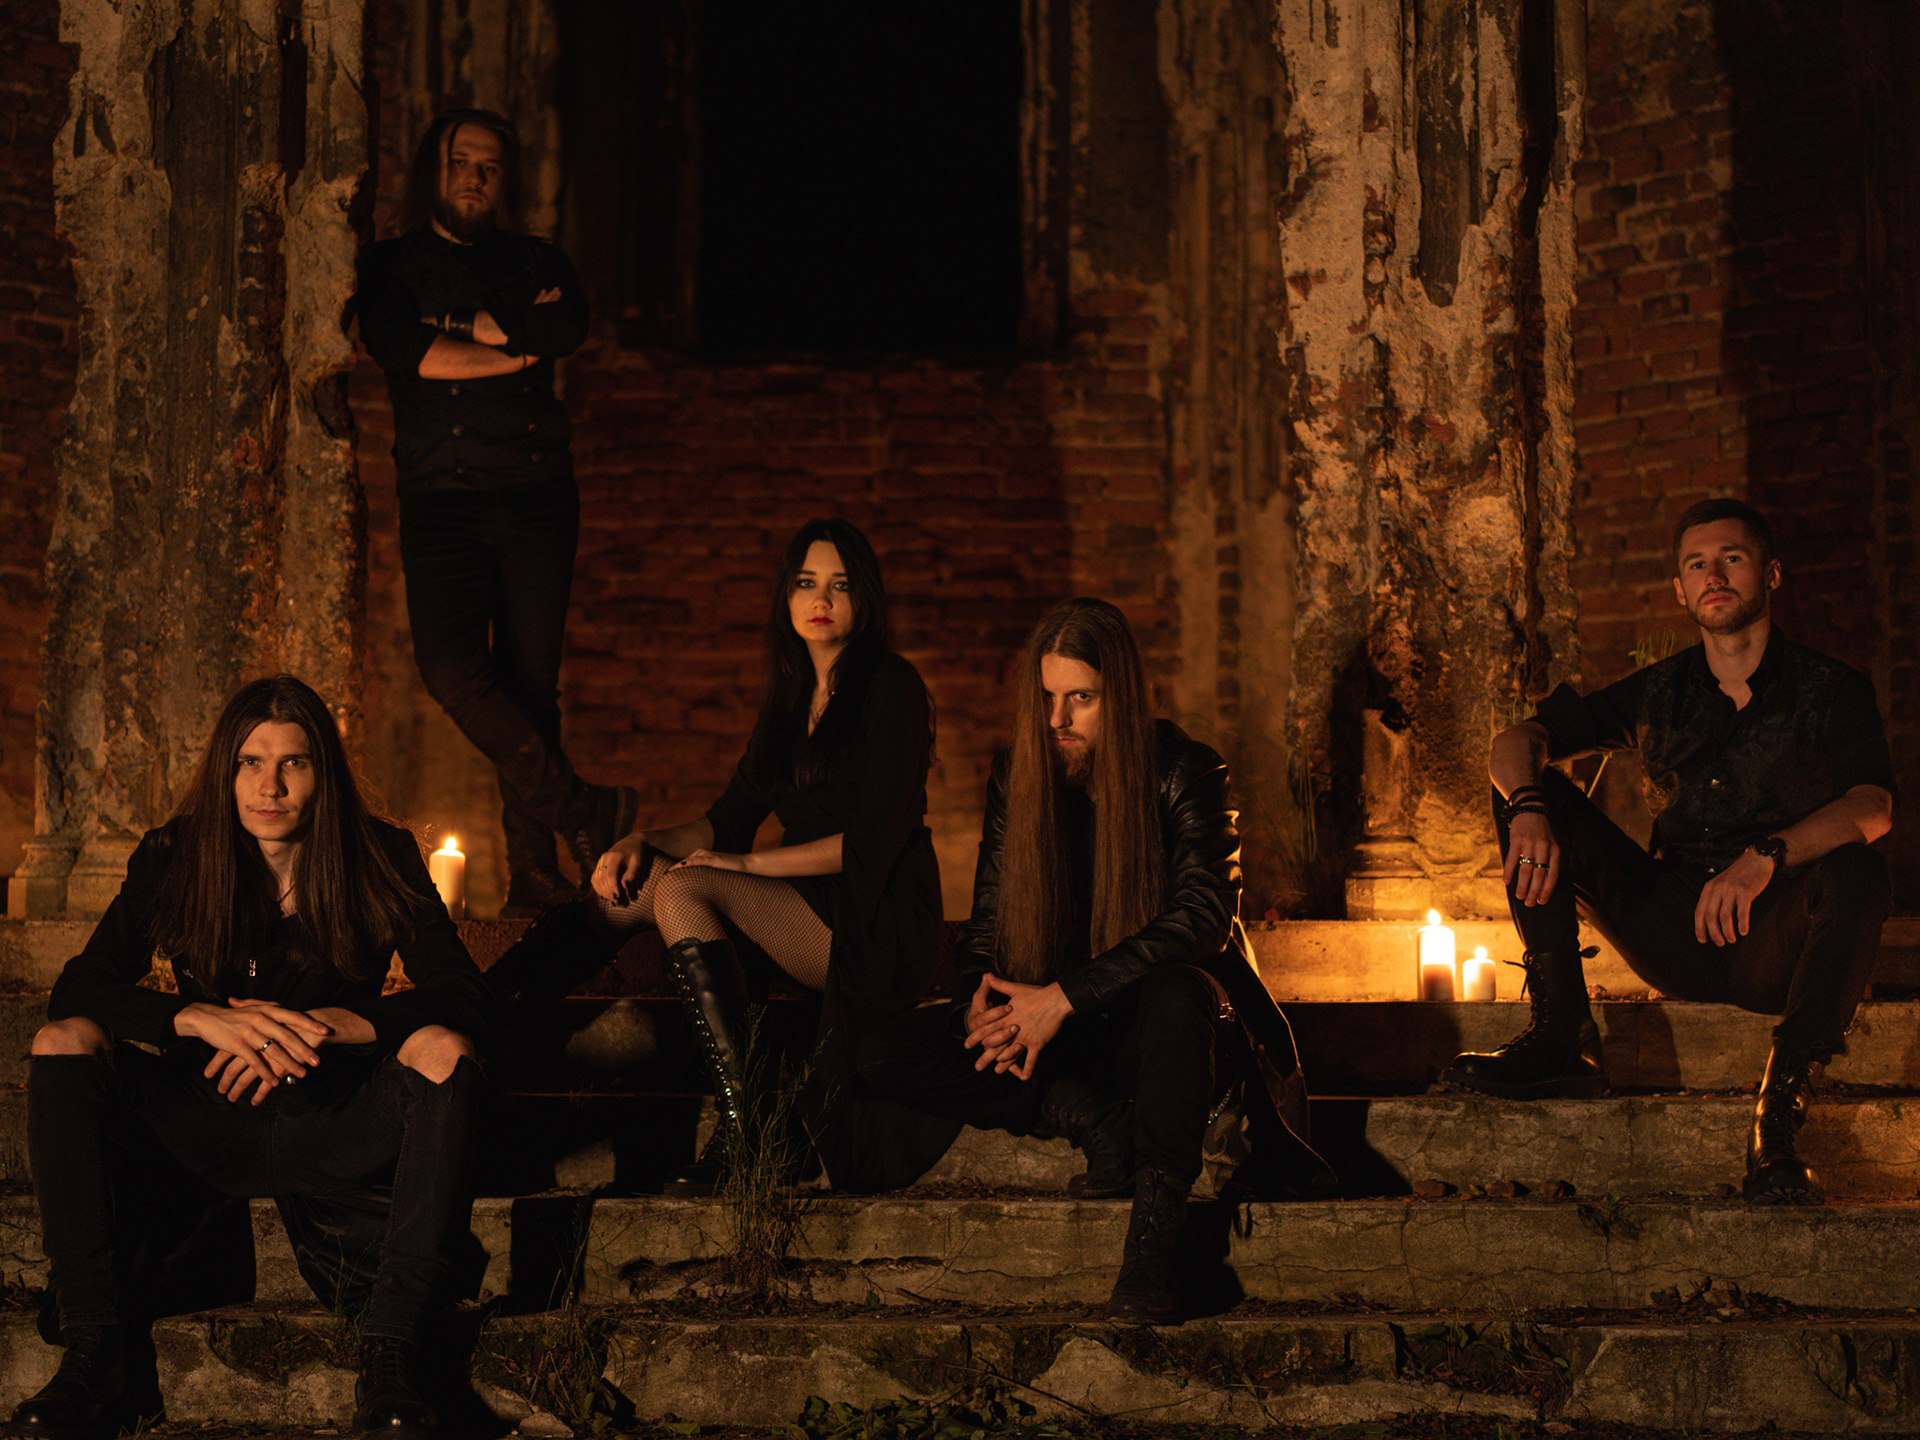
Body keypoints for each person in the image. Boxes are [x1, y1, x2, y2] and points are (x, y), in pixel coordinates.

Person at [6, 677, 496, 1440]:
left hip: (329, 1118)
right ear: (225, 771)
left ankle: (393, 1357)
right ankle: (94, 1354)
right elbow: (81, 986)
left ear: (322, 773)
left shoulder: (380, 854)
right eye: (249, 763)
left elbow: (463, 994)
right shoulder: (175, 853)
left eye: (293, 763)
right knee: (62, 1040)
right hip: (208, 1118)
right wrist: (193, 1018)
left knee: (444, 1049)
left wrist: (333, 1025)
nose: (270, 786)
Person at [858, 597, 1331, 1324]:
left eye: (1081, 698)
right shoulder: (1019, 775)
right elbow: (986, 926)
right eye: (1047, 697)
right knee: (879, 1049)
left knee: (1181, 990)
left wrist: (1063, 997)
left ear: (1123, 694)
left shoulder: (1188, 771)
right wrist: (979, 1007)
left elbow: (1203, 918)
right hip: (1069, 1047)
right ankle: (1088, 1118)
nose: (1058, 719)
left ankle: (1151, 1253)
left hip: (1168, 1040)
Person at [1446, 497, 1895, 1204]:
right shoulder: (1661, 690)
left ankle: (1779, 1112)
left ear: (1770, 575)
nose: (1714, 575)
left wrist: (1766, 855)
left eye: (1732, 559)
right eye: (1697, 565)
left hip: (1773, 940)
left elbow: (1872, 807)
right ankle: (1563, 1033)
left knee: (1858, 869)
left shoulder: (1831, 689)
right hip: (1672, 927)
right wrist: (1528, 807)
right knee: (1531, 791)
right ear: (1680, 590)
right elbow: (1514, 742)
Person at [585, 517, 956, 1194]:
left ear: (865, 598)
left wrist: (746, 866)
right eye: (806, 583)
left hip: (879, 915)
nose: (822, 599)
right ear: (786, 597)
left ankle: (748, 1125)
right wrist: (641, 840)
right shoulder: (788, 700)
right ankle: (505, 1007)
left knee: (683, 889)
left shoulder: (892, 686)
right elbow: (727, 820)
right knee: (632, 888)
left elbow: (873, 841)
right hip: (807, 906)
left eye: (841, 585)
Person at [356, 107, 634, 914]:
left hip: (537, 491)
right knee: (451, 669)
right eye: (460, 162)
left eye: (488, 166)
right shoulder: (390, 265)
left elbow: (565, 326)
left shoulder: (536, 260)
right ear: (432, 171)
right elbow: (403, 349)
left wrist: (457, 331)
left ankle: (535, 873)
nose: (474, 178)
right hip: (440, 496)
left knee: (530, 682)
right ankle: (584, 810)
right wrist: (511, 343)